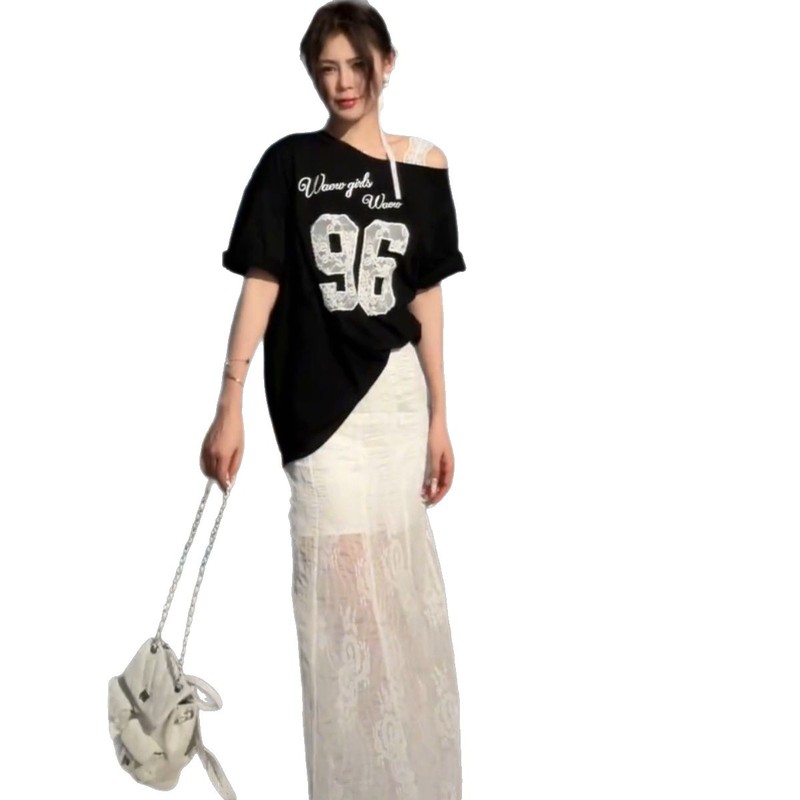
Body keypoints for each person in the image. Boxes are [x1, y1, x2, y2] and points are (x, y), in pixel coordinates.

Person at [201, 2, 466, 797]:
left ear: (387, 63)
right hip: (320, 412)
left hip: (396, 403)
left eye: (356, 64)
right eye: (327, 68)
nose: (343, 82)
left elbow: (426, 297)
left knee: (400, 607)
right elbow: (263, 280)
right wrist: (229, 400)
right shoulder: (289, 164)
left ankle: (413, 783)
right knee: (343, 611)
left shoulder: (425, 165)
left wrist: (442, 416)